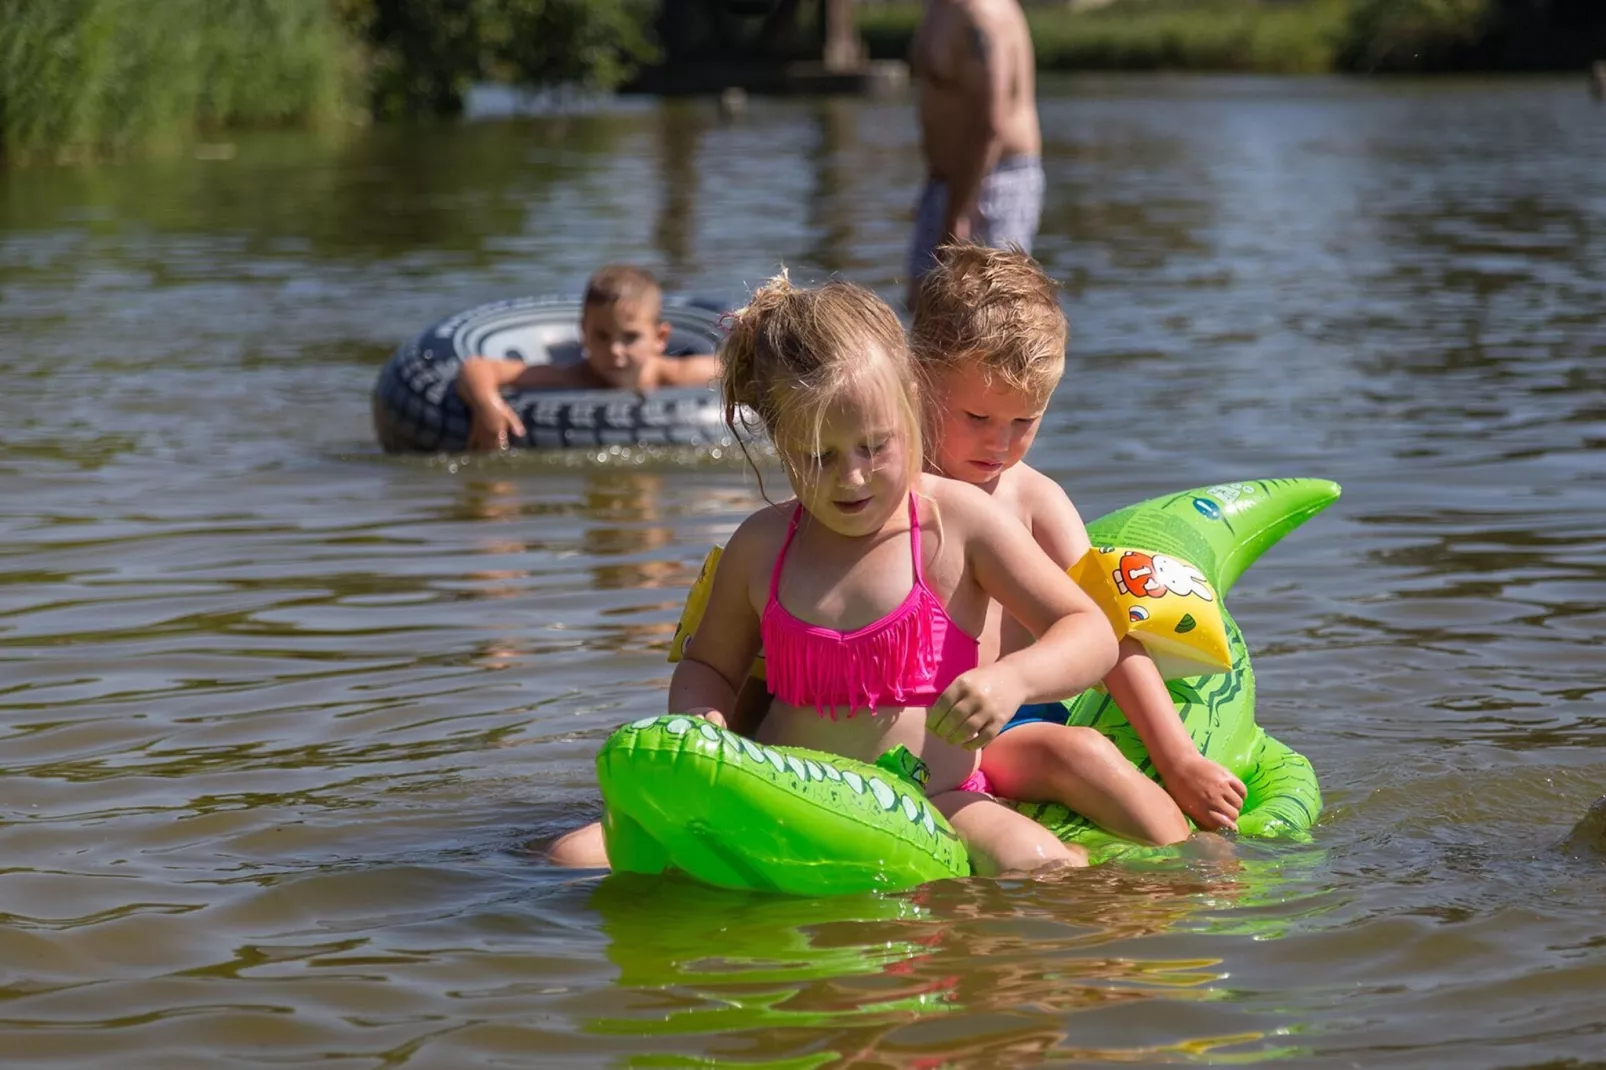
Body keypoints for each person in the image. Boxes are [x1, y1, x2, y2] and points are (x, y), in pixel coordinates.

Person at [550, 272, 1121, 876]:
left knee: (1037, 863)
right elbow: (709, 665)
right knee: (571, 858)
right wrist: (703, 723)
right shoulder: (762, 545)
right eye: (817, 456)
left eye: (874, 448)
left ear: (914, 407)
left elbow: (1090, 631)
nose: (850, 478)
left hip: (938, 803)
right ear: (779, 442)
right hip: (786, 797)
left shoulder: (960, 523)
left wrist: (1013, 680)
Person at [911, 242, 1245, 836]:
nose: (1001, 445)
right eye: (978, 419)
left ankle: (1205, 877)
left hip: (1005, 725)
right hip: (898, 718)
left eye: (1024, 422)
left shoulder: (1034, 500)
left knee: (1084, 752)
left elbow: (1111, 629)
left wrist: (1179, 759)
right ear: (917, 381)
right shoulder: (880, 488)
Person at [455, 264, 720, 451]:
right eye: (602, 336)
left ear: (660, 338)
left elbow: (742, 369)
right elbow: (476, 368)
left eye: (630, 338)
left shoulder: (678, 374)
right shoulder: (573, 376)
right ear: (583, 333)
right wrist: (487, 407)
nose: (615, 350)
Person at [906, 0, 1044, 308]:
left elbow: (991, 124)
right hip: (947, 183)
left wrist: (960, 213)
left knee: (988, 316)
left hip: (990, 182)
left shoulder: (979, 14)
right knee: (924, 307)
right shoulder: (941, 8)